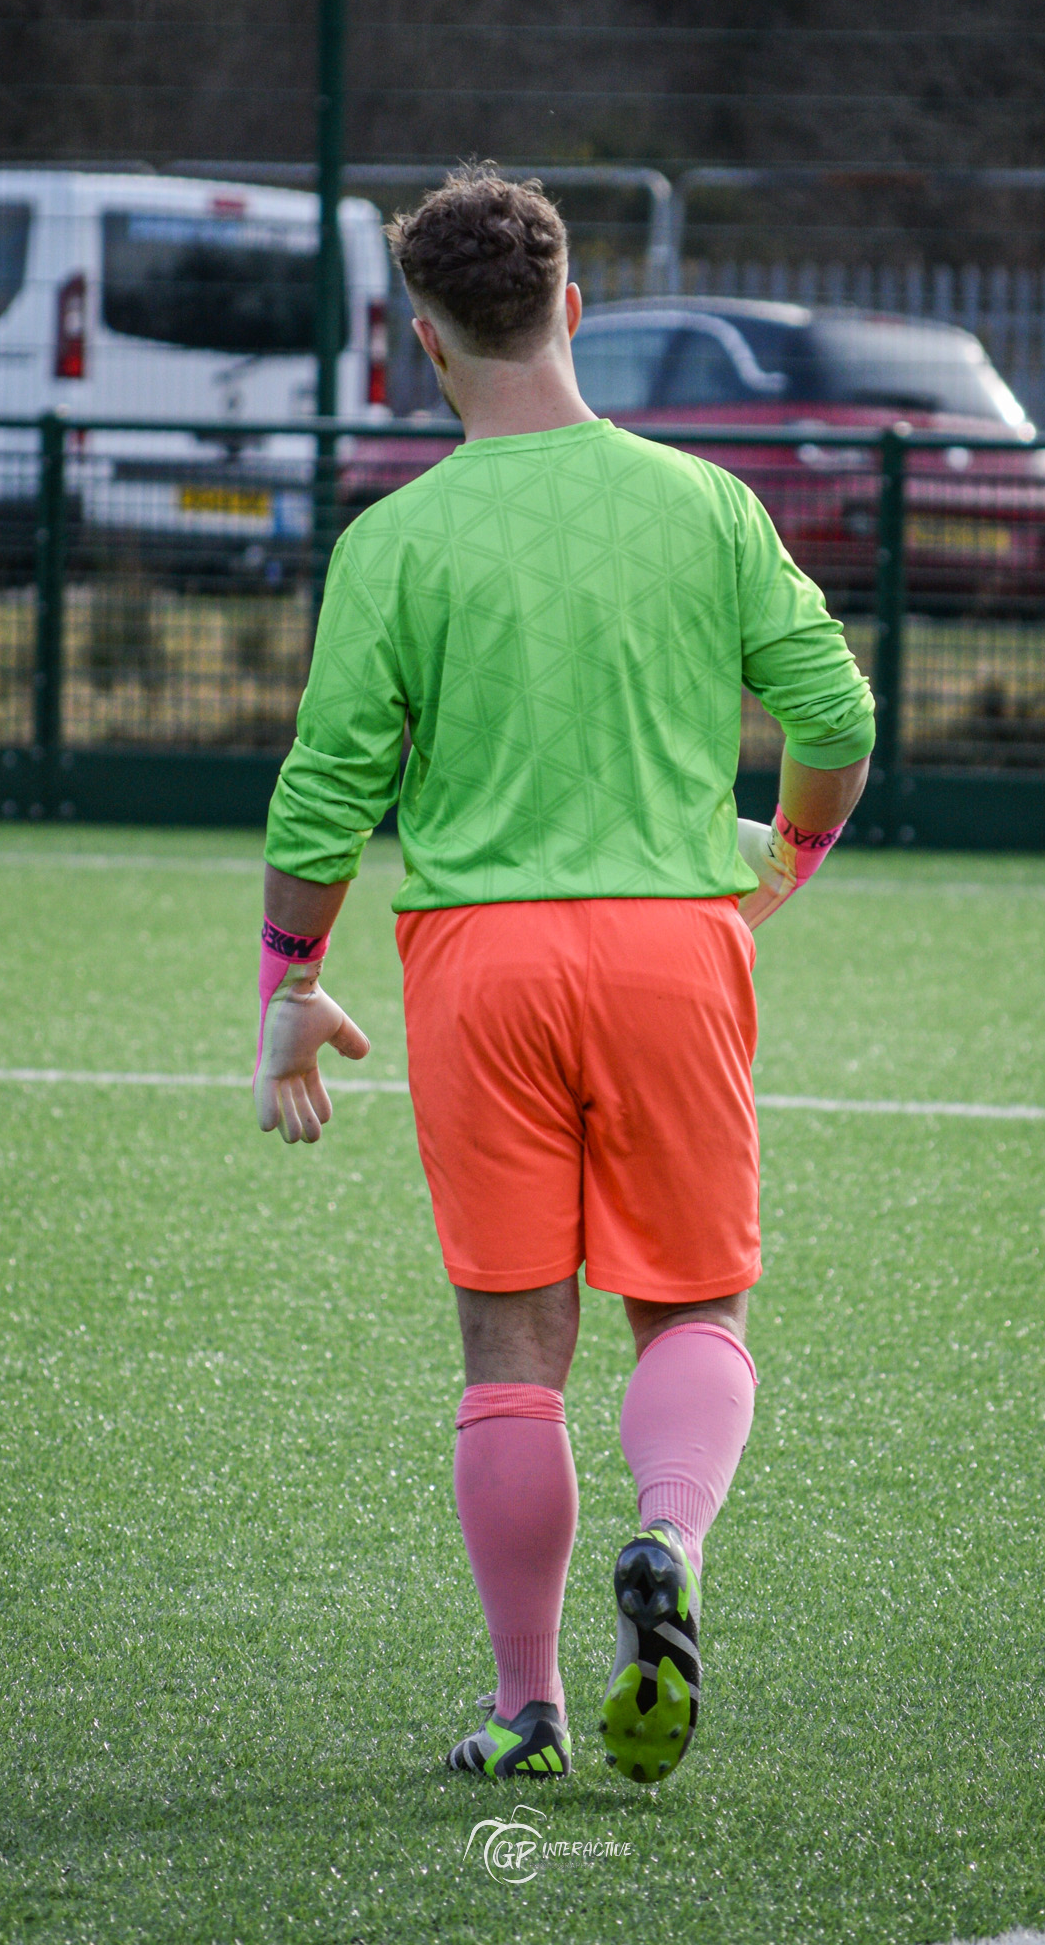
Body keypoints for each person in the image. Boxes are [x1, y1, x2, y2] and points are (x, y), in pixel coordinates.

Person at [251, 166, 874, 1783]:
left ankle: (527, 1709)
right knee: (694, 1306)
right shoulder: (706, 505)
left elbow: (325, 796)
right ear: (574, 309)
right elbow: (840, 721)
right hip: (677, 947)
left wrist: (287, 979)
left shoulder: (394, 540)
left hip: (481, 963)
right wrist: (777, 871)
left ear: (425, 344)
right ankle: (668, 1542)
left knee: (511, 1357)